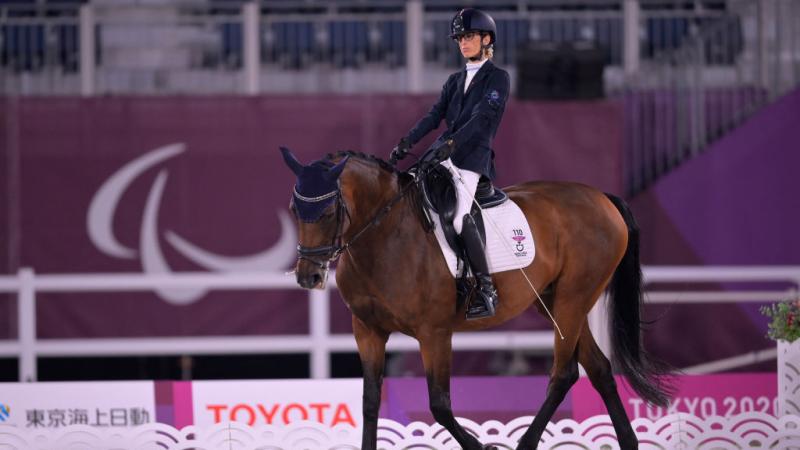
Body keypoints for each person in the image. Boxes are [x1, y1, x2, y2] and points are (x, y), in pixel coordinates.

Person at [390, 8, 510, 320]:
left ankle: (486, 288)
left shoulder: (498, 78)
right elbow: (433, 116)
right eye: (459, 38)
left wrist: (453, 143)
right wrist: (407, 142)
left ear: (486, 39)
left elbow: (484, 117)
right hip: (441, 154)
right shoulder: (454, 81)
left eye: (468, 36)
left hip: (471, 158)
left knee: (458, 218)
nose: (463, 43)